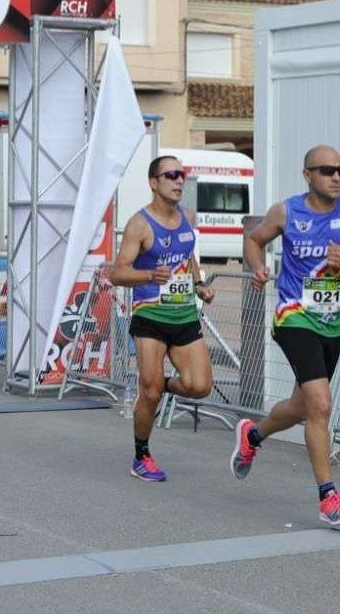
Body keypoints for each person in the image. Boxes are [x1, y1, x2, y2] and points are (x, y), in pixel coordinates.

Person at [233, 144, 340, 526]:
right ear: (307, 175)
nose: (336, 176)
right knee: (320, 405)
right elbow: (254, 241)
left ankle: (253, 435)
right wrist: (257, 267)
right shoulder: (287, 211)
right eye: (326, 170)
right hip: (294, 317)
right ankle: (328, 497)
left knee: (302, 408)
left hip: (333, 321)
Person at [110, 155, 216, 482]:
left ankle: (155, 385)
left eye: (182, 175)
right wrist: (147, 275)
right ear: (154, 182)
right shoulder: (139, 224)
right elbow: (117, 272)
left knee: (201, 386)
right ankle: (141, 455)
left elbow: (188, 256)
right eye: (171, 175)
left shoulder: (187, 216)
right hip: (151, 315)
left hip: (183, 314)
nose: (179, 181)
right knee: (150, 394)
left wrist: (198, 284)